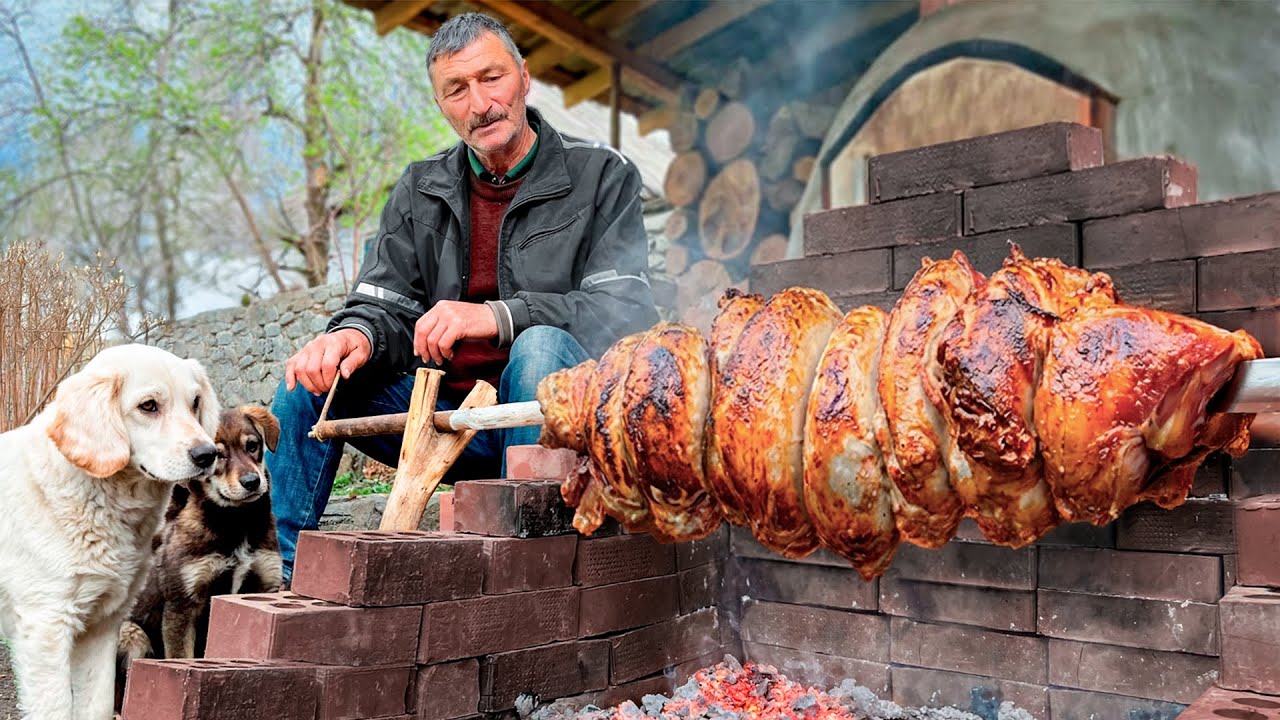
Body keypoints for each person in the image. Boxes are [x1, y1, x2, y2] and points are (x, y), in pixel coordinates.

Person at [266, 12, 658, 584]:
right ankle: (280, 580)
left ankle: (528, 568)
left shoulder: (601, 175)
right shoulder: (419, 188)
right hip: (450, 423)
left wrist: (498, 317)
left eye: (491, 78)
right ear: (442, 105)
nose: (480, 103)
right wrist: (353, 334)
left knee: (539, 348)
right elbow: (384, 303)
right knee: (314, 374)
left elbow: (624, 315)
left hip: (554, 424)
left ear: (524, 78)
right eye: (457, 89)